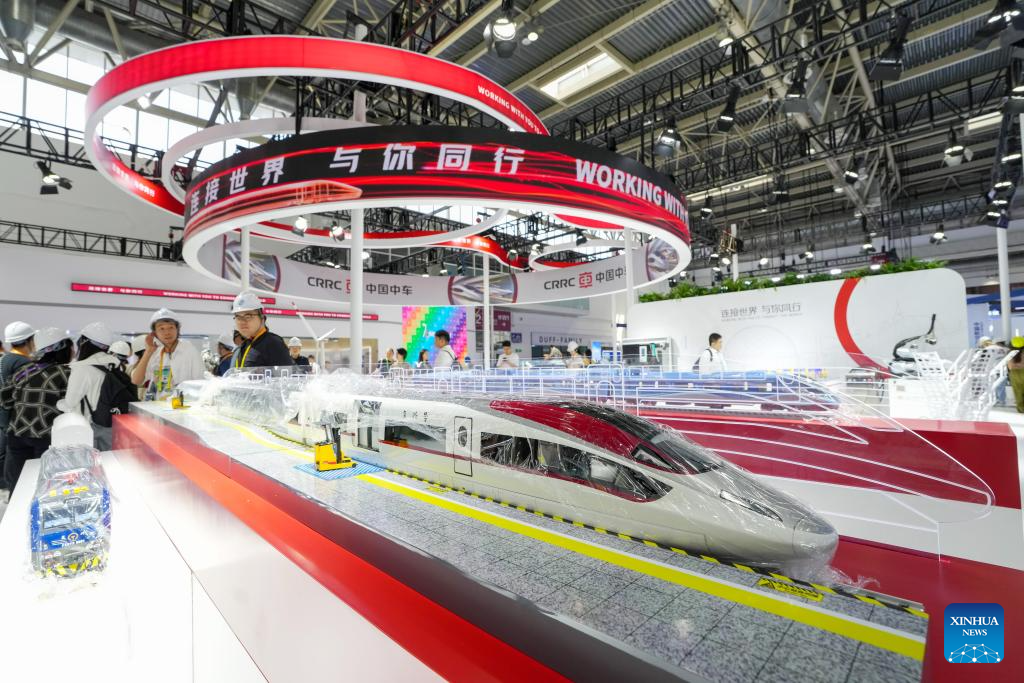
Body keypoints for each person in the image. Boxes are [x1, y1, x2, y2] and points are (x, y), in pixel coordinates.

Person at [0, 327, 72, 488]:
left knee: (17, 484)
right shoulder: (67, 373)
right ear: (62, 348)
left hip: (17, 433)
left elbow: (5, 401)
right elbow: (70, 406)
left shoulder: (23, 371)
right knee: (44, 485)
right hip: (46, 435)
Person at [59, 322, 118, 449]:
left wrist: (59, 403)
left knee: (90, 460)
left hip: (89, 426)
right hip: (114, 423)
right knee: (111, 458)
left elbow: (70, 402)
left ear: (84, 342)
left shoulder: (82, 368)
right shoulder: (116, 364)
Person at [132, 308, 206, 399]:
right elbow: (136, 380)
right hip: (158, 404)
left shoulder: (189, 350)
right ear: (154, 333)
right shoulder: (156, 353)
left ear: (177, 329)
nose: (167, 332)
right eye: (161, 328)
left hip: (184, 404)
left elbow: (201, 382)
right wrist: (148, 352)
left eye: (171, 327)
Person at [1, 321, 35, 495]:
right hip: (17, 419)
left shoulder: (5, 359)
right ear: (29, 340)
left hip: (4, 416)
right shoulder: (24, 363)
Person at [231, 291, 293, 369]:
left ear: (262, 318)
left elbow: (286, 375)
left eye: (248, 316)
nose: (242, 322)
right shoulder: (241, 348)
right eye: (238, 317)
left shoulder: (273, 344)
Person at [1008, 337, 1024, 413]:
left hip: (1014, 374)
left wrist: (1016, 366)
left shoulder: (1010, 354)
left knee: (1018, 393)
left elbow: (1010, 366)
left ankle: (1021, 409)